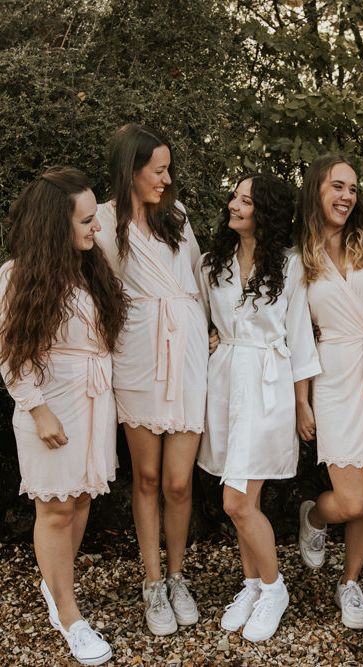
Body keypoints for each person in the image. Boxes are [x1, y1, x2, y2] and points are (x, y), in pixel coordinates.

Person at [0, 167, 128, 665]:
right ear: (55, 225)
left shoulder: (91, 268)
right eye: (86, 221)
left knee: (79, 501)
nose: (96, 230)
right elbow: (11, 353)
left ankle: (57, 585)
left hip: (95, 402)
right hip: (50, 405)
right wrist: (38, 409)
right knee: (54, 508)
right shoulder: (15, 276)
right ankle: (70, 617)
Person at [196, 173, 320, 641]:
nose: (233, 205)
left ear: (264, 211)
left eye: (245, 200)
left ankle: (274, 588)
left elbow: (301, 337)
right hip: (225, 380)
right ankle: (251, 585)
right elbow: (198, 317)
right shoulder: (214, 262)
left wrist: (303, 402)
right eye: (233, 196)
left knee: (237, 500)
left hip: (268, 384)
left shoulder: (290, 267)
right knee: (242, 500)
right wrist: (209, 337)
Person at [95, 124, 208, 636]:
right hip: (138, 352)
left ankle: (179, 575)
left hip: (186, 355)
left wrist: (214, 332)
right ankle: (152, 581)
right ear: (131, 170)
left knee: (179, 481)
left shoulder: (177, 218)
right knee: (145, 477)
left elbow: (204, 281)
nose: (166, 178)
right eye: (157, 169)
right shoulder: (101, 221)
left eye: (168, 168)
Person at [295, 154, 363, 630]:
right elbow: (293, 331)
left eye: (353, 189)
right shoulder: (296, 255)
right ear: (316, 189)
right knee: (352, 497)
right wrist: (301, 399)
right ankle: (316, 516)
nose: (346, 197)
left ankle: (350, 582)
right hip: (336, 377)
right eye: (337, 186)